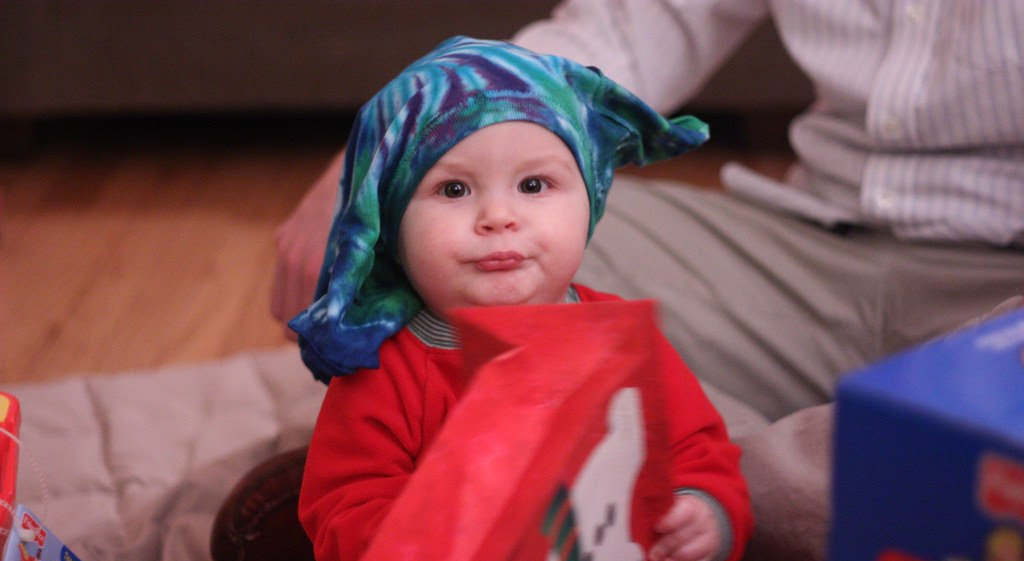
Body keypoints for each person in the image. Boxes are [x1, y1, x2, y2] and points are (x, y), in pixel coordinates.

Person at [272, 0, 1024, 422]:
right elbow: (627, 28)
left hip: (1002, 283)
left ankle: (727, 502)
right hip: (814, 238)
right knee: (464, 247)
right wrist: (377, 164)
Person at [292, 36, 778, 561]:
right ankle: (285, 493)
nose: (499, 216)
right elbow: (344, 506)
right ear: (392, 224)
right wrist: (424, 541)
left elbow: (696, 449)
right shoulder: (388, 366)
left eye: (533, 184)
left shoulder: (617, 339)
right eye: (454, 189)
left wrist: (703, 515)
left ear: (590, 200)